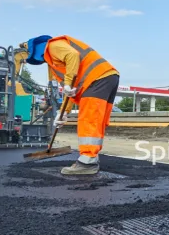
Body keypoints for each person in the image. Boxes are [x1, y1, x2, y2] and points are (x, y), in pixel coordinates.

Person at [20, 35, 119, 175]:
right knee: (97, 121)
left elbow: (72, 56)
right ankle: (91, 157)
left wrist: (67, 83)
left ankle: (87, 163)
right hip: (107, 77)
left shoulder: (53, 46)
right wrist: (63, 112)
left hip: (97, 79)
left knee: (89, 119)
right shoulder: (55, 64)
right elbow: (71, 91)